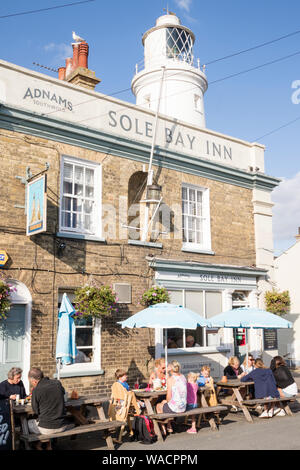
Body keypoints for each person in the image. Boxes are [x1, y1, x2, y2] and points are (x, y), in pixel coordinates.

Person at [27, 367, 72, 450]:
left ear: (34, 381)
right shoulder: (57, 383)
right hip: (62, 425)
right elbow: (62, 392)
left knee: (28, 423)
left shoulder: (36, 390)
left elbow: (36, 411)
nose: (32, 384)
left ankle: (29, 446)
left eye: (31, 382)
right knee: (47, 419)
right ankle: (47, 446)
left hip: (47, 429)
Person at [156, 360, 187, 434]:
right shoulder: (183, 377)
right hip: (183, 406)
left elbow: (169, 396)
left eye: (168, 366)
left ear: (171, 368)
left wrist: (166, 401)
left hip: (176, 408)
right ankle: (169, 425)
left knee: (158, 406)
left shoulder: (171, 379)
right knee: (164, 403)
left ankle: (163, 429)